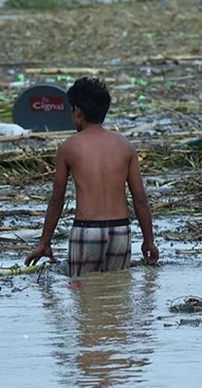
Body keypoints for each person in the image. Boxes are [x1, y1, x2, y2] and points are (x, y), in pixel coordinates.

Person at [24, 77, 159, 277]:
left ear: (78, 112)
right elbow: (140, 199)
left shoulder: (69, 147)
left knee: (83, 297)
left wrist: (44, 243)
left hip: (86, 233)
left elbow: (56, 200)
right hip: (120, 232)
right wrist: (149, 241)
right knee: (117, 295)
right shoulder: (125, 146)